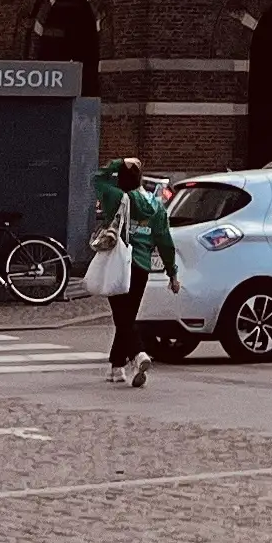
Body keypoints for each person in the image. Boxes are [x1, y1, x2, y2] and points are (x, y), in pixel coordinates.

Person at [91, 156, 178, 385]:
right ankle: (116, 368)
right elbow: (165, 241)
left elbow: (97, 178)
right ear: (141, 178)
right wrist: (172, 272)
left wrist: (119, 162)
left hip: (118, 262)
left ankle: (138, 354)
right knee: (127, 316)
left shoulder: (117, 197)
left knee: (122, 317)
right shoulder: (156, 205)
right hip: (141, 266)